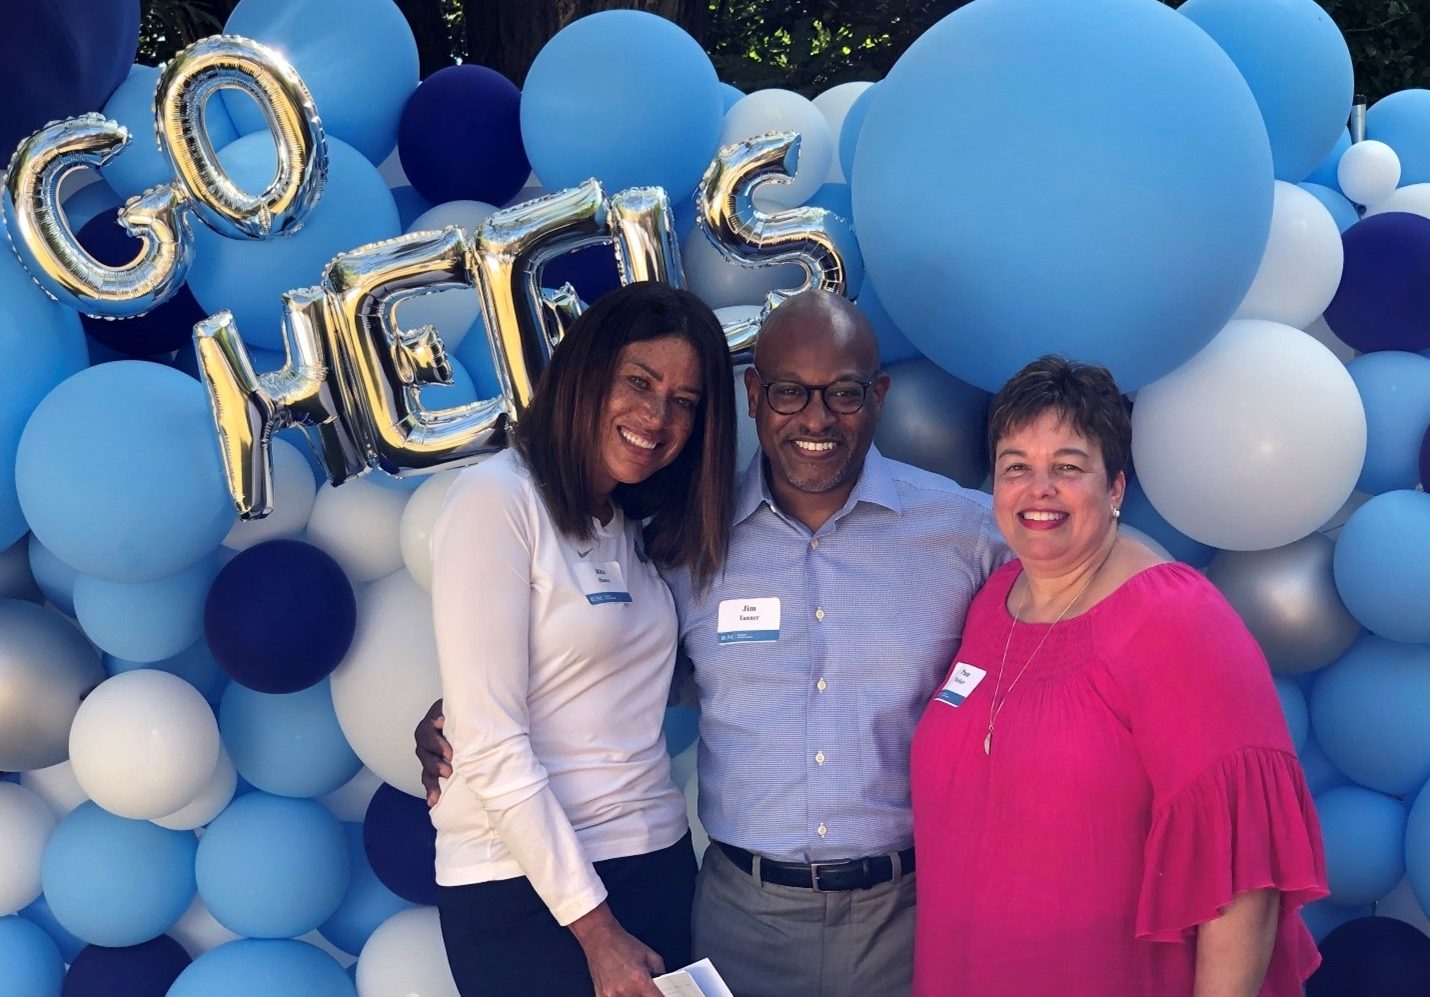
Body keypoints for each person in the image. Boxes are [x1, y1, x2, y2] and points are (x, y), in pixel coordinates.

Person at [421, 289, 1008, 995]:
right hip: (725, 912)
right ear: (756, 396)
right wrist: (463, 711)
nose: (816, 417)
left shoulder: (968, 534)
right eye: (789, 391)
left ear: (877, 396)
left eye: (844, 393)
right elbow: (511, 711)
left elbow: (1072, 614)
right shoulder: (678, 534)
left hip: (891, 908)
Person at [909, 356, 1328, 996]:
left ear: (1115, 490)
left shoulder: (1174, 619)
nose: (1038, 488)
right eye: (1016, 466)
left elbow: (1246, 881)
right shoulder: (992, 603)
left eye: (1069, 467)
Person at [428, 281, 737, 997]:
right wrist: (595, 928)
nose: (657, 416)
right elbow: (491, 738)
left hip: (655, 861)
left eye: (685, 401)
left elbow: (589, 682)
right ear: (585, 372)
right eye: (639, 381)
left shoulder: (629, 526)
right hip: (525, 892)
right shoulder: (497, 500)